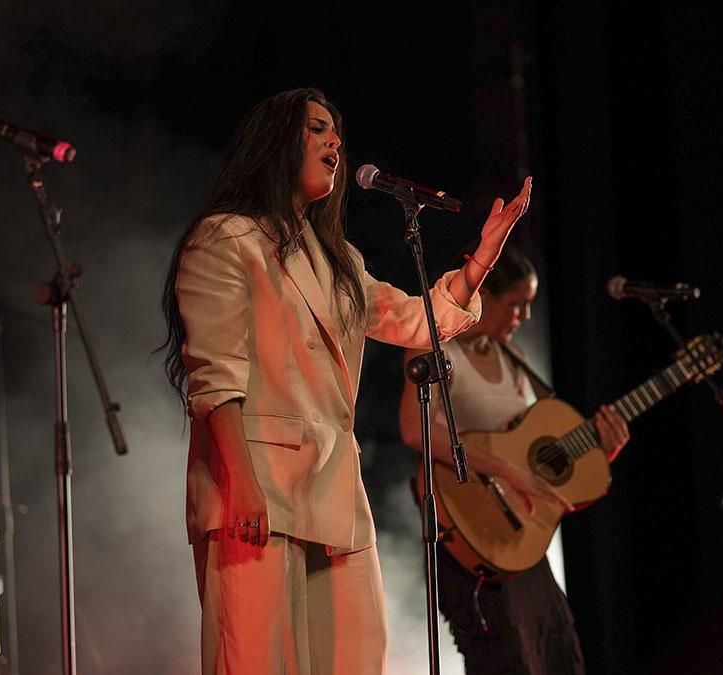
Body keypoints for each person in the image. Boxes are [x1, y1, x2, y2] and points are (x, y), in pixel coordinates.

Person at [159, 87, 532, 674]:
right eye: (316, 130)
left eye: (336, 132)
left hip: (333, 495)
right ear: (278, 142)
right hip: (257, 489)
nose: (335, 142)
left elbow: (416, 321)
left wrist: (483, 258)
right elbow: (216, 380)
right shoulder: (225, 238)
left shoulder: (337, 259)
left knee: (356, 659)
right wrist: (243, 486)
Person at [398, 245, 630, 675]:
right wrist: (504, 469)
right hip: (471, 532)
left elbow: (544, 459)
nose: (522, 317)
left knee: (558, 652)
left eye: (528, 307)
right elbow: (416, 431)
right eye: (515, 304)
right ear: (485, 295)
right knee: (507, 660)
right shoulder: (434, 351)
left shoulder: (516, 360)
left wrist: (601, 453)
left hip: (521, 539)